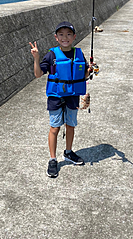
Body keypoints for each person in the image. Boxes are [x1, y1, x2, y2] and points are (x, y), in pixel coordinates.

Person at [29, 21, 92, 178]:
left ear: (74, 37)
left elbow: (83, 75)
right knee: (55, 128)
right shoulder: (51, 55)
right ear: (56, 37)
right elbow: (38, 74)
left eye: (69, 34)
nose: (65, 38)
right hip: (56, 97)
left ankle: (68, 152)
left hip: (72, 96)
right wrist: (36, 58)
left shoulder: (79, 54)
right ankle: (52, 159)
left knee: (70, 126)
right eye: (61, 35)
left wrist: (90, 70)